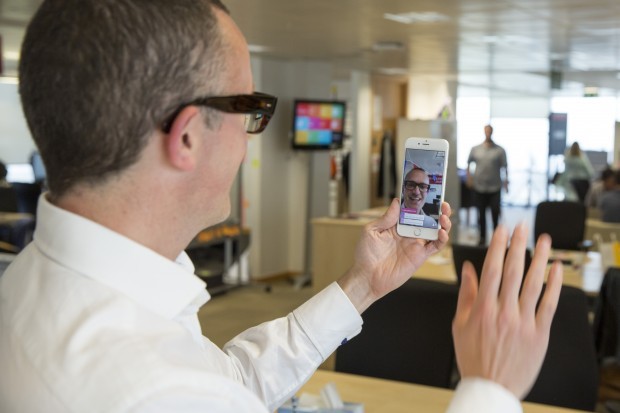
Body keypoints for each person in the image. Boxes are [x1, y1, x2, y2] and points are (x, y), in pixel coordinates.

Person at [0, 1, 562, 412]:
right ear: (189, 137)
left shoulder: (32, 282)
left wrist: (361, 286)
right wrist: (489, 389)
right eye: (250, 109)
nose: (250, 138)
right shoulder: (151, 389)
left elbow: (228, 383)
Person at [466, 125, 508, 245]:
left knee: (495, 212)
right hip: (479, 187)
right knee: (481, 213)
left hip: (494, 187)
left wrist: (506, 183)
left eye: (490, 131)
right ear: (484, 132)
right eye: (486, 131)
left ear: (492, 132)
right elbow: (468, 164)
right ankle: (482, 237)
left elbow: (505, 167)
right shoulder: (475, 149)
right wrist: (469, 178)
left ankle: (496, 238)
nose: (488, 133)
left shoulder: (499, 150)